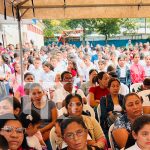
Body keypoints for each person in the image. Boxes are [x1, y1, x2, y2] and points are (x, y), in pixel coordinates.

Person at [29, 83, 57, 149]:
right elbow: (29, 124)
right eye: (34, 94)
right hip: (35, 133)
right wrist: (38, 133)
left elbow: (54, 121)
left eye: (39, 92)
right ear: (30, 95)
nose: (37, 96)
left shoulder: (51, 103)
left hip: (50, 131)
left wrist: (42, 131)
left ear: (43, 92)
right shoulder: (29, 106)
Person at [100, 78, 124, 142]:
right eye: (113, 86)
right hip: (109, 125)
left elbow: (126, 111)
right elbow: (104, 114)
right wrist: (117, 113)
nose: (115, 88)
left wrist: (113, 112)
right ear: (109, 88)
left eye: (117, 86)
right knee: (113, 117)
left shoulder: (123, 98)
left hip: (123, 122)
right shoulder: (104, 99)